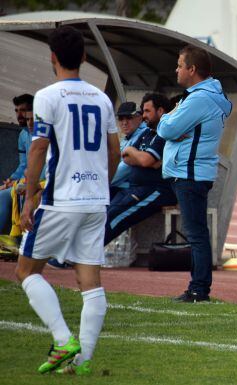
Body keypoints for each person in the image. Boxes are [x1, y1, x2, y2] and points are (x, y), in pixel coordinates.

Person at [14, 25, 120, 375]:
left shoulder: (47, 96)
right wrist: (100, 185)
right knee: (89, 280)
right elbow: (114, 151)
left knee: (26, 270)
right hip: (95, 201)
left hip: (62, 199)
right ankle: (83, 360)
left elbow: (39, 147)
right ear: (85, 58)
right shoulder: (102, 98)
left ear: (53, 58)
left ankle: (62, 339)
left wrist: (30, 198)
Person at [157, 45, 232, 303]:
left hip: (190, 174)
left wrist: (171, 115)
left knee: (197, 234)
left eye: (180, 65)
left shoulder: (199, 99)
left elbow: (165, 129)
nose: (176, 70)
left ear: (192, 69)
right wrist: (174, 119)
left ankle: (199, 289)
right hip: (192, 173)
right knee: (197, 232)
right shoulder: (205, 96)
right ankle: (198, 287)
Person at [104, 93, 176, 244]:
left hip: (156, 190)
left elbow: (145, 160)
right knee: (103, 212)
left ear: (160, 111)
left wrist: (138, 155)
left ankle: (84, 257)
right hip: (135, 188)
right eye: (143, 112)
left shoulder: (164, 134)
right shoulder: (148, 133)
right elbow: (126, 157)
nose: (144, 116)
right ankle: (79, 254)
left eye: (147, 111)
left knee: (114, 217)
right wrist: (140, 156)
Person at [0, 94, 34, 234]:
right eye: (16, 110)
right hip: (24, 179)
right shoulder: (23, 135)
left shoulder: (42, 133)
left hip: (37, 181)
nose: (19, 115)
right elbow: (23, 165)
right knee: (3, 190)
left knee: (3, 196)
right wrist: (12, 179)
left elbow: (42, 168)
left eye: (23, 110)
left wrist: (18, 182)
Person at [110, 101, 147, 197]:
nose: (124, 123)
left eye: (129, 118)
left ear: (139, 118)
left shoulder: (144, 134)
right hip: (121, 186)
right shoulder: (128, 136)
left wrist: (102, 181)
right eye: (121, 119)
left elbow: (126, 167)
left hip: (131, 188)